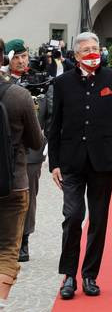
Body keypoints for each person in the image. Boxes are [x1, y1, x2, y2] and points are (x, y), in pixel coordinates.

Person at [49, 31, 112, 300]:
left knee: (98, 220)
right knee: (73, 217)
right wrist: (54, 163)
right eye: (86, 50)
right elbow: (55, 125)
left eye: (95, 48)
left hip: (103, 160)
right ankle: (69, 275)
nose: (92, 53)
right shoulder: (61, 84)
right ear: (76, 55)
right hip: (71, 160)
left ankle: (90, 275)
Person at [0, 39, 42, 308]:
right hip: (13, 180)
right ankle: (0, 300)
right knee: (7, 248)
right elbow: (37, 141)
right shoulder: (18, 95)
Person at [4, 40, 52, 264]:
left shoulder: (40, 81)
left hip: (31, 151)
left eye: (24, 56)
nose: (21, 61)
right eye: (16, 57)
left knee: (29, 196)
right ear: (8, 58)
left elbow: (51, 114)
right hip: (8, 147)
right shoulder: (6, 83)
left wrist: (47, 141)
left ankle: (24, 238)